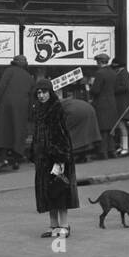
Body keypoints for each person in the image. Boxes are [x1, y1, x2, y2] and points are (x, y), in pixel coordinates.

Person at [30, 78, 78, 238]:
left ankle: (64, 226)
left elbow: (61, 135)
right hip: (43, 159)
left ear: (50, 92)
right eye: (38, 93)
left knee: (59, 191)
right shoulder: (38, 110)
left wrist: (60, 159)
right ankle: (53, 226)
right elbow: (37, 135)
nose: (41, 95)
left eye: (44, 92)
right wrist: (34, 153)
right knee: (48, 192)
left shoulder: (56, 109)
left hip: (56, 157)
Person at [0, 55, 33, 172]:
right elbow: (31, 97)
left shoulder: (9, 71)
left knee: (4, 132)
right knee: (18, 133)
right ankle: (15, 160)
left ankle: (3, 159)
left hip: (6, 105)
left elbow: (2, 86)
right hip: (22, 108)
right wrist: (30, 113)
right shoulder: (29, 77)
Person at [89, 53, 118, 160]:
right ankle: (112, 151)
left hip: (101, 103)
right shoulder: (113, 72)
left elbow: (96, 90)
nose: (97, 64)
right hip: (112, 102)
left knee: (102, 129)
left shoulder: (100, 73)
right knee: (110, 129)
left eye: (97, 62)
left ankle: (103, 153)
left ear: (100, 62)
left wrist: (90, 86)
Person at [113, 58, 129, 156]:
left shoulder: (123, 74)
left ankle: (125, 148)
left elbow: (124, 87)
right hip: (123, 104)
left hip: (123, 105)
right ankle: (122, 147)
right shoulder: (123, 73)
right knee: (121, 126)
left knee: (122, 127)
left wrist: (113, 89)